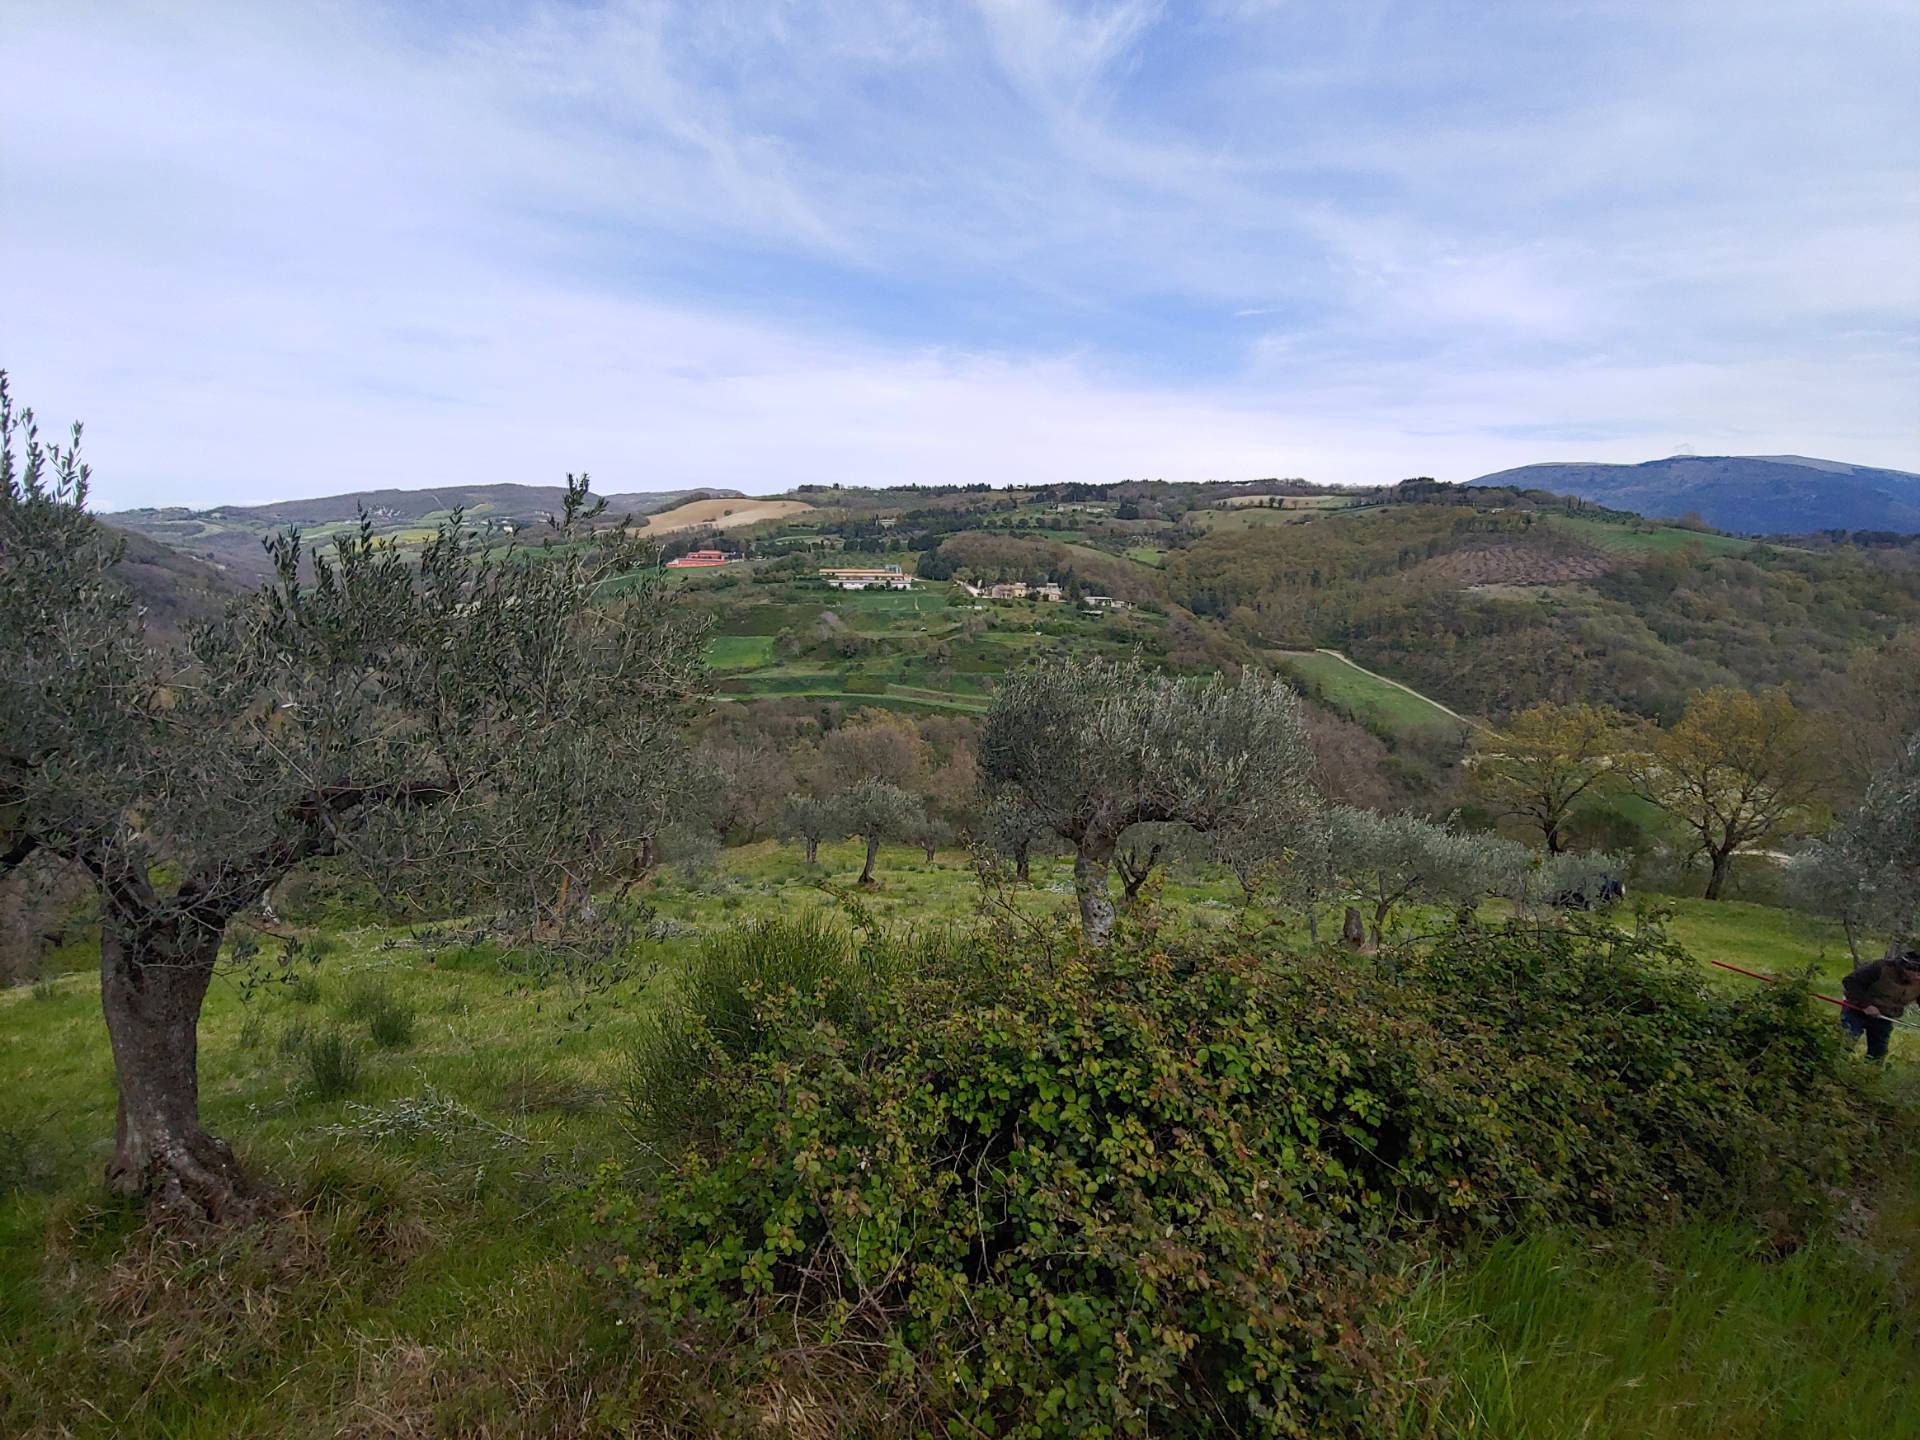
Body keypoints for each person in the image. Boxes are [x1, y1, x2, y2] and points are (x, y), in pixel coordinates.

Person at [1839, 948, 1920, 1062]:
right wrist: (1866, 1005)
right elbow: (1850, 982)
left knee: (1878, 1055)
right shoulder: (1881, 968)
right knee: (1845, 1044)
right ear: (1906, 969)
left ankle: (1869, 1076)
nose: (1918, 977)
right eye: (1917, 972)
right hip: (1856, 1010)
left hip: (1884, 1017)